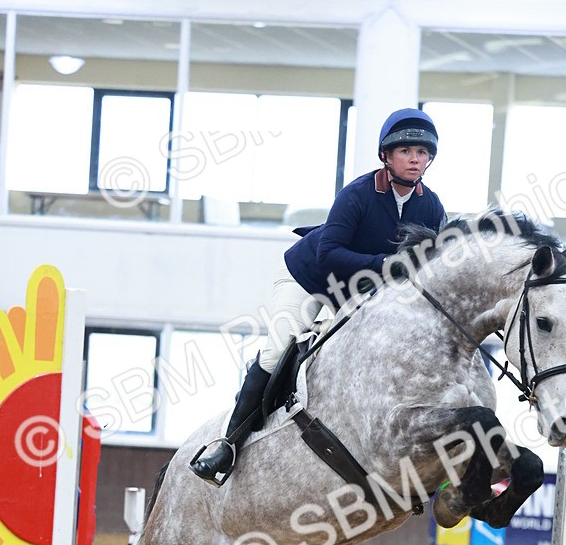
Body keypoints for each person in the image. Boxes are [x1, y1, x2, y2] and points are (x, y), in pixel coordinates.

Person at [190, 107, 446, 484]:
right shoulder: (357, 194)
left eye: (422, 153)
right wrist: (389, 262)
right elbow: (330, 254)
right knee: (278, 350)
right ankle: (227, 444)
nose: (415, 159)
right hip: (308, 278)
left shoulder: (432, 206)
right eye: (406, 151)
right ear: (387, 156)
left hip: (359, 291)